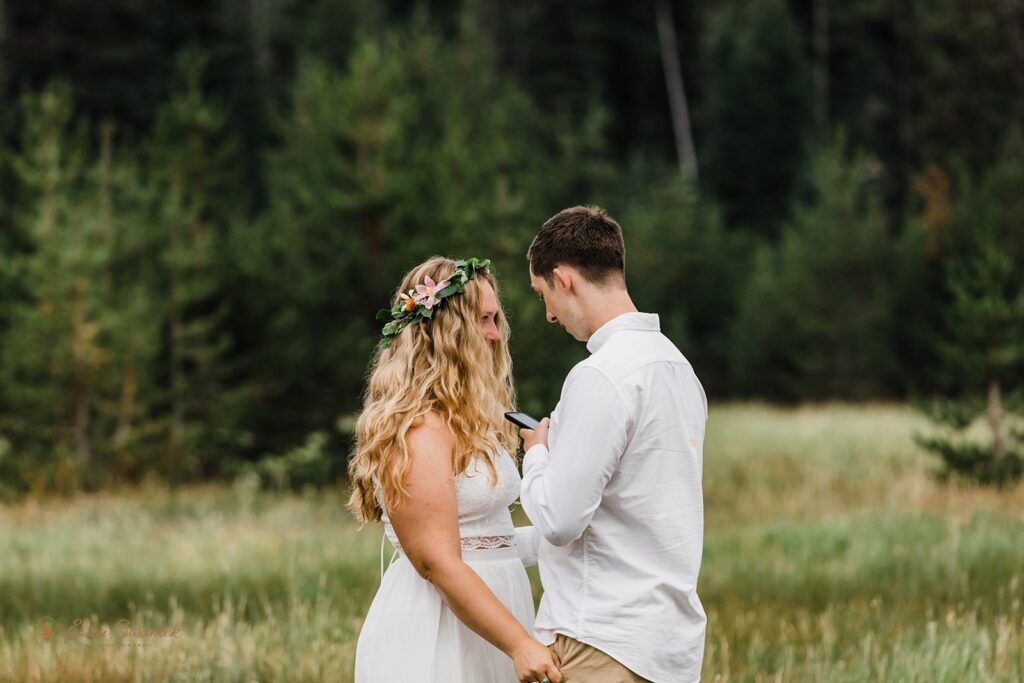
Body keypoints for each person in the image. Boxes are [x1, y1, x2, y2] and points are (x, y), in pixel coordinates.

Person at [349, 256, 562, 683]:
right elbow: (438, 563)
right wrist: (518, 643)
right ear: (446, 333)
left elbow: (488, 543)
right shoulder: (416, 427)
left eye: (495, 318)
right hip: (439, 629)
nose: (494, 333)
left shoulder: (471, 418)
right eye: (482, 319)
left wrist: (565, 535)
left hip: (493, 621)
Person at [519, 206, 708, 683]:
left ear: (563, 280)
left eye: (543, 295)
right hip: (669, 645)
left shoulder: (600, 376)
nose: (548, 316)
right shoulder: (679, 369)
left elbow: (561, 522)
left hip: (601, 639)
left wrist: (536, 453)